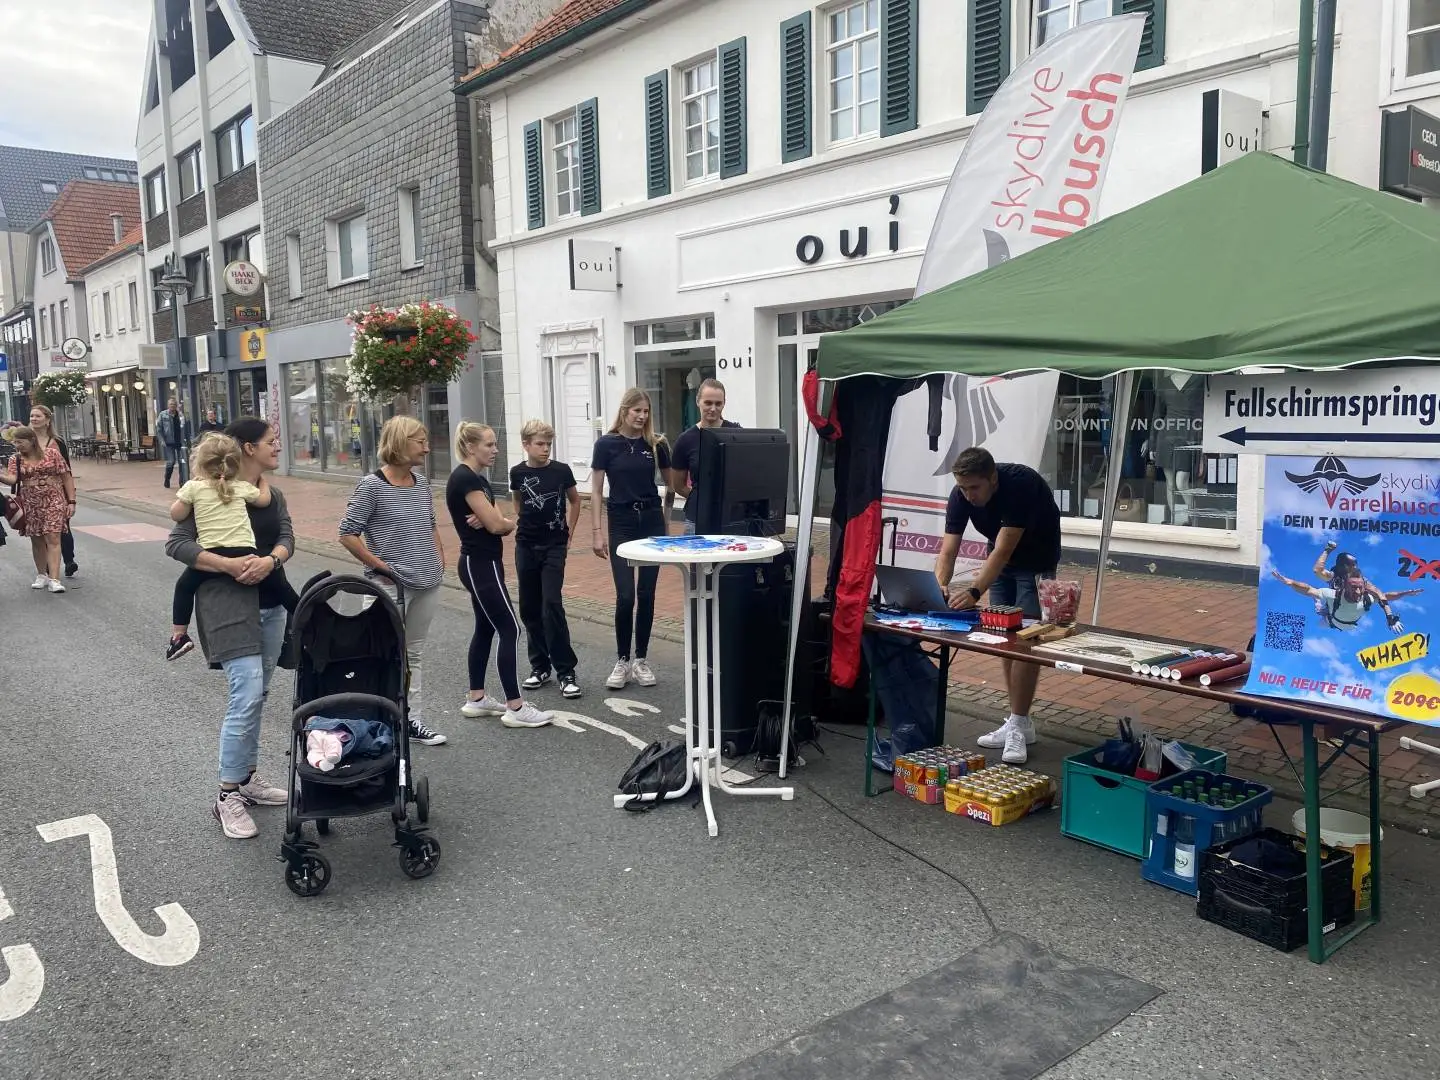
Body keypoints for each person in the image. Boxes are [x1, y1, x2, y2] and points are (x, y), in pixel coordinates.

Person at [165, 417, 296, 840]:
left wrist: (270, 561)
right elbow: (176, 543)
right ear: (247, 448)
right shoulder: (209, 489)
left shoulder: (270, 494)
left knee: (259, 695)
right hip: (226, 604)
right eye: (271, 441)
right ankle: (226, 795)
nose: (277, 447)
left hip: (271, 605)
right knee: (247, 693)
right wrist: (227, 564)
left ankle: (247, 778)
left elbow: (287, 538)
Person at [935, 447, 1062, 765]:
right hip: (1001, 564)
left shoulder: (1019, 485)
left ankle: (1019, 724)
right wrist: (939, 586)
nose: (968, 495)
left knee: (1025, 643)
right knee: (1004, 640)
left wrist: (974, 591)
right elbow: (949, 549)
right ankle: (1019, 721)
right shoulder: (960, 495)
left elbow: (1004, 549)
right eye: (963, 488)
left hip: (1035, 563)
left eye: (974, 488)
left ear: (992, 479)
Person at [338, 415, 448, 747]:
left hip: (427, 581)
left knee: (413, 653)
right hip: (389, 586)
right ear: (400, 442)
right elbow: (347, 534)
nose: (427, 448)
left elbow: (430, 524)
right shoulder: (372, 486)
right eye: (421, 442)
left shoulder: (421, 483)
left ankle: (411, 720)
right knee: (383, 653)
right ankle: (377, 721)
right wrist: (380, 566)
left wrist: (439, 559)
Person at [446, 421, 554, 728]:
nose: (495, 450)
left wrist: (498, 520)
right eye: (489, 444)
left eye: (495, 444)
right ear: (471, 447)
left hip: (482, 562)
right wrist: (500, 522)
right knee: (511, 629)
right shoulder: (466, 479)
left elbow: (497, 520)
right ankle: (516, 707)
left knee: (485, 628)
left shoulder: (476, 479)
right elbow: (497, 525)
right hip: (480, 563)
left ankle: (476, 698)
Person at [165, 433, 273, 660]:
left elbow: (176, 514)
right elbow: (264, 500)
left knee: (184, 587)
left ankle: (179, 636)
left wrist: (189, 501)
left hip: (213, 552)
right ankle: (305, 621)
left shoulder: (194, 487)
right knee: (278, 585)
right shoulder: (240, 486)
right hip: (246, 550)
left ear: (200, 463)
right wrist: (263, 483)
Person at [591, 388, 671, 691]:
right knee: (625, 595)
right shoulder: (606, 444)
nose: (642, 416)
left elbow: (671, 484)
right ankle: (622, 660)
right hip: (621, 521)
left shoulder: (657, 444)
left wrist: (666, 519)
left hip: (651, 520)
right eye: (637, 410)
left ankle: (641, 660)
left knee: (646, 593)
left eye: (646, 411)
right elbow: (596, 491)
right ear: (624, 411)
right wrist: (597, 531)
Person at [509, 418, 581, 698]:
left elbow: (575, 500)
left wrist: (569, 531)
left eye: (548, 444)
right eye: (540, 444)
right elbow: (518, 500)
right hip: (526, 545)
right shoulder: (517, 472)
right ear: (526, 445)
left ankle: (566, 670)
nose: (545, 448)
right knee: (529, 607)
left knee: (551, 604)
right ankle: (539, 666)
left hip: (554, 545)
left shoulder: (561, 471)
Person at [1, 425, 74, 593]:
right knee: (37, 539)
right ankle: (42, 574)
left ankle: (55, 579)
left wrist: (71, 501)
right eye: (15, 443)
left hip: (54, 498)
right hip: (30, 502)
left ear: (32, 440)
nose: (17, 446)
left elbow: (66, 477)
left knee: (53, 536)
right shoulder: (15, 459)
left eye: (20, 442)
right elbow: (12, 479)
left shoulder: (52, 454)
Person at [669, 378, 740, 534]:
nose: (713, 408)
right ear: (698, 401)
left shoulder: (736, 434)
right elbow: (678, 485)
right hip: (696, 519)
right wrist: (702, 498)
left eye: (718, 403)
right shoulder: (685, 440)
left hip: (731, 519)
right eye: (708, 403)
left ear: (724, 403)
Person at [27, 405, 79, 576]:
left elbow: (67, 471)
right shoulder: (26, 441)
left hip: (57, 491)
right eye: (32, 416)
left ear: (47, 420)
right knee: (41, 530)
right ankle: (48, 565)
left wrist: (71, 498)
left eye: (38, 416)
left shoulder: (58, 442)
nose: (34, 419)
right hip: (33, 494)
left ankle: (69, 560)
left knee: (62, 527)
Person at [157, 398, 192, 488]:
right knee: (171, 461)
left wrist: (188, 443)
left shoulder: (180, 415)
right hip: (169, 442)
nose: (172, 406)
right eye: (171, 404)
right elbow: (159, 429)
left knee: (182, 462)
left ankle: (182, 482)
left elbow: (186, 429)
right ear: (168, 405)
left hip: (180, 441)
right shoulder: (163, 414)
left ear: (176, 406)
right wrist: (162, 440)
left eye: (174, 404)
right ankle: (167, 478)